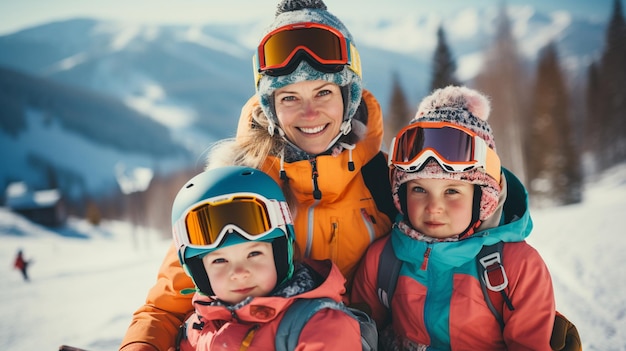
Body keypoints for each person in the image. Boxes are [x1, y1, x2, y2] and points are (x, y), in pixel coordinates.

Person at [119, 1, 395, 350]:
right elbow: (165, 306)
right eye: (290, 97)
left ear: (348, 97)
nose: (309, 113)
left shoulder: (385, 181)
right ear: (272, 108)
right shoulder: (238, 186)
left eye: (324, 92)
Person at [351, 85, 558, 350]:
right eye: (419, 189)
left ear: (483, 198)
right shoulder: (383, 260)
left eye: (451, 191)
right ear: (401, 195)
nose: (433, 207)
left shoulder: (517, 268)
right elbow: (358, 336)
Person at [171, 166, 361, 350]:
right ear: (198, 272)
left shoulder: (321, 329)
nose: (239, 273)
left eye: (254, 254)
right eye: (219, 260)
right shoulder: (199, 329)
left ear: (281, 255)